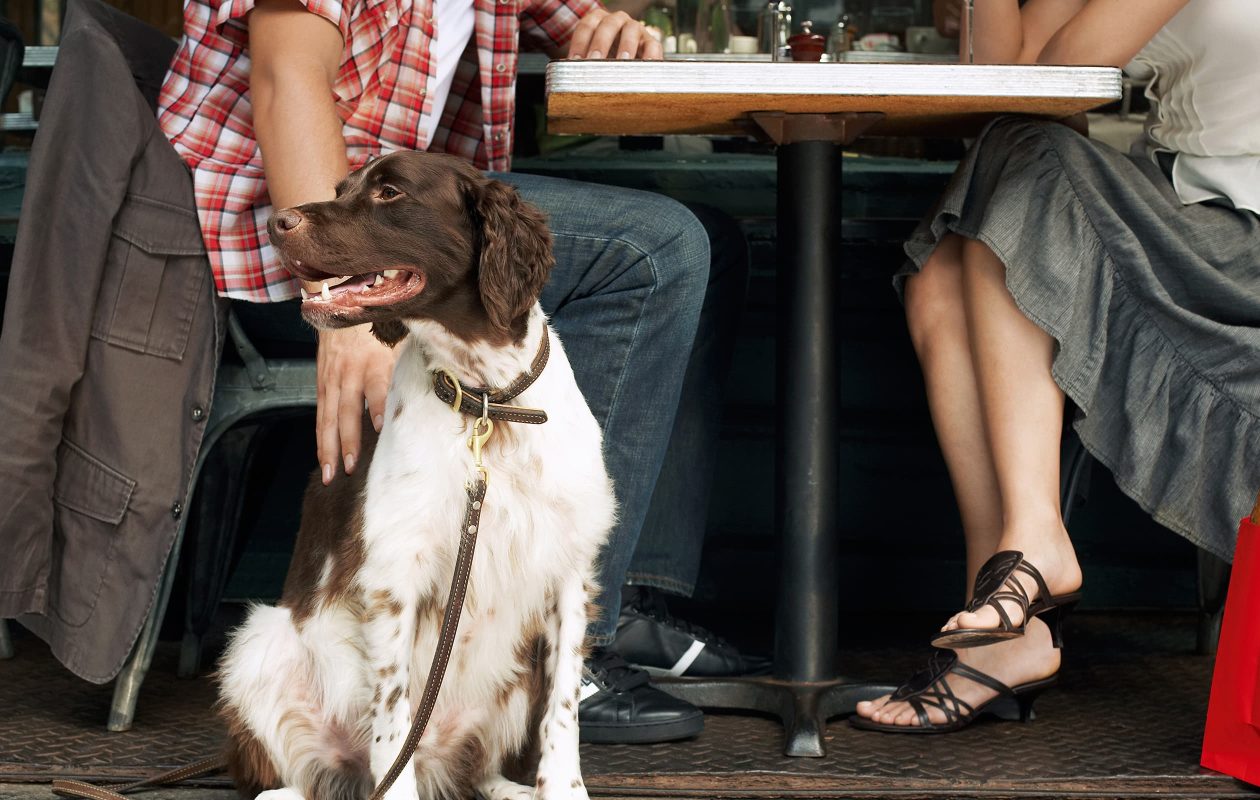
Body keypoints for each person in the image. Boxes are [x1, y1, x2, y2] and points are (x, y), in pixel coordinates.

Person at [159, 0, 758, 745]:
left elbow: (576, 18)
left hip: (407, 233)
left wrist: (618, 30)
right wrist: (343, 301)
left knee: (710, 241)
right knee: (656, 249)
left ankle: (621, 601)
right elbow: (286, 79)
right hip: (276, 235)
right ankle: (566, 654)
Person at [852, 0, 1260, 733]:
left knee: (1028, 166)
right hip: (1192, 203)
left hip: (1246, 234)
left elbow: (1056, 76)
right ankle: (1009, 619)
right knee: (943, 274)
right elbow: (1013, 80)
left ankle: (1031, 552)